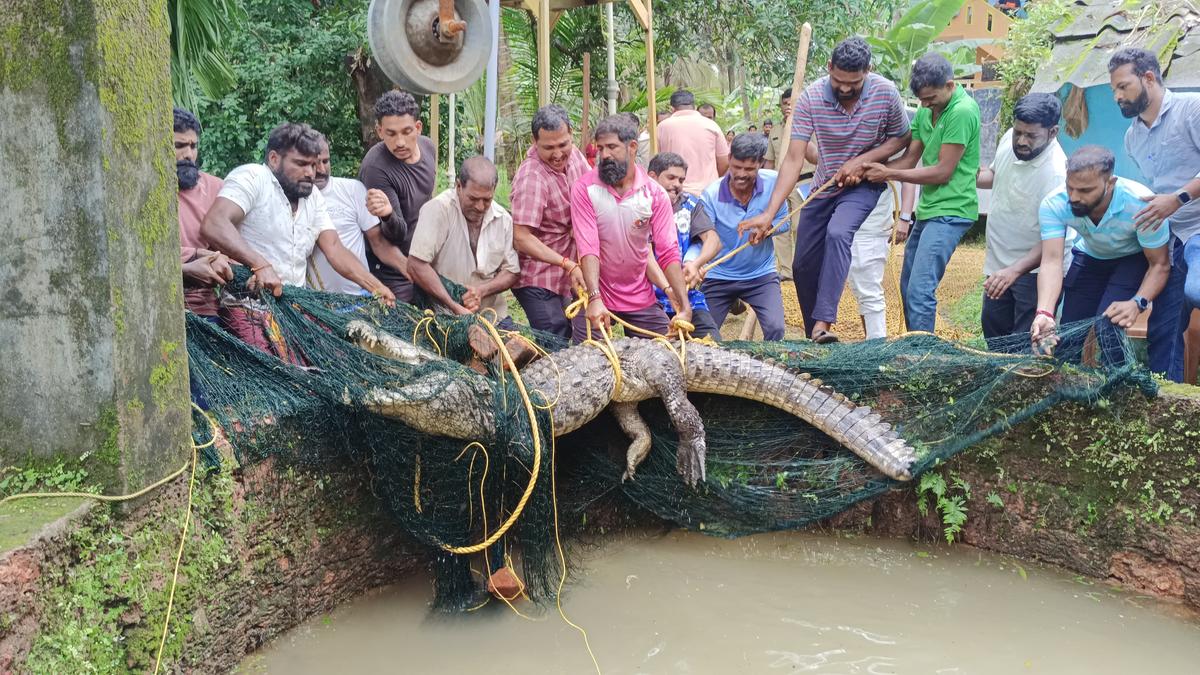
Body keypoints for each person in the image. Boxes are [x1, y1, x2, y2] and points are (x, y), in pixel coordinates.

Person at [743, 36, 910, 343]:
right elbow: (794, 158)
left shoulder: (886, 93)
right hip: (824, 186)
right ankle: (815, 339)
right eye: (839, 81)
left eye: (854, 83)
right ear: (829, 67)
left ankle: (823, 323)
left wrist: (863, 161)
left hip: (864, 187)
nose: (845, 89)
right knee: (802, 264)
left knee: (838, 233)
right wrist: (769, 213)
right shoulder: (811, 97)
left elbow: (901, 138)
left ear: (868, 71)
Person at [201, 122, 394, 303]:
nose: (312, 172)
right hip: (246, 305)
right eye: (301, 164)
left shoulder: (313, 196)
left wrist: (376, 287)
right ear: (274, 159)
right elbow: (215, 224)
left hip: (293, 307)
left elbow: (335, 248)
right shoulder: (253, 177)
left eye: (313, 164)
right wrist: (260, 264)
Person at [864, 52, 980, 334]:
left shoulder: (962, 111)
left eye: (931, 98)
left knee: (920, 290)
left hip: (952, 211)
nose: (926, 105)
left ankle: (923, 359)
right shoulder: (927, 111)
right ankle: (914, 345)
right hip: (929, 210)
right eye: (922, 100)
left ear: (950, 85)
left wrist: (888, 173)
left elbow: (942, 171)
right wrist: (870, 167)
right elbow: (909, 160)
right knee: (906, 286)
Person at [1030, 146, 1171, 365]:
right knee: (1067, 335)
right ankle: (1066, 391)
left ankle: (1118, 389)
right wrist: (1045, 313)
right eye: (1070, 188)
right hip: (1090, 256)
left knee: (1109, 328)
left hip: (1131, 259)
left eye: (1085, 190)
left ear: (1110, 183)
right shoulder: (1055, 203)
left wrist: (1137, 302)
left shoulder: (1141, 205)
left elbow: (1159, 265)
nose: (1074, 197)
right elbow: (1051, 261)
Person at [1110, 47, 1200, 379]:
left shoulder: (1192, 109)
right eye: (1114, 90)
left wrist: (1176, 198)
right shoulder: (1132, 137)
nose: (1118, 96)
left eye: (1123, 86)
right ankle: (1168, 397)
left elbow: (1173, 194)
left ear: (1149, 78)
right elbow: (1158, 188)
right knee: (1164, 328)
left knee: (1196, 291)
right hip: (1170, 238)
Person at [569, 115, 691, 341]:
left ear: (632, 147)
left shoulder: (654, 194)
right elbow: (588, 248)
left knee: (668, 351)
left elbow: (667, 252)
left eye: (612, 147)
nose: (604, 155)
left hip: (638, 295)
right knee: (588, 358)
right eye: (600, 147)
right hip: (597, 293)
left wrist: (683, 303)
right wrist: (595, 299)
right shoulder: (584, 189)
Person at [975, 93, 1068, 349]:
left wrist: (1014, 271)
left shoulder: (1057, 174)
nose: (1022, 141)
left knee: (1025, 345)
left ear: (1052, 132)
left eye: (1031, 136)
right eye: (1019, 132)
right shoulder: (1009, 138)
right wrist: (963, 175)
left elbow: (1053, 243)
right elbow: (994, 175)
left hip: (1034, 272)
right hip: (998, 264)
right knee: (995, 337)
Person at [408, 156, 520, 327]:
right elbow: (416, 265)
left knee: (519, 350)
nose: (480, 207)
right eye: (473, 199)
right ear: (458, 186)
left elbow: (512, 271)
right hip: (443, 315)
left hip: (492, 315)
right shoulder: (438, 210)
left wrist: (481, 291)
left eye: (487, 200)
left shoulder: (503, 219)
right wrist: (454, 306)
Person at [510, 105, 590, 339]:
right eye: (548, 148)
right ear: (535, 142)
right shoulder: (532, 178)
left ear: (571, 135)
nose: (557, 154)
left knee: (578, 337)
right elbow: (521, 238)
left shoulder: (574, 155)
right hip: (538, 279)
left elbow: (590, 191)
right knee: (554, 341)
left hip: (568, 275)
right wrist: (566, 263)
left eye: (562, 145)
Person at [699, 133, 790, 341]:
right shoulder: (711, 195)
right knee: (704, 338)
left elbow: (785, 222)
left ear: (760, 164)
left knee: (776, 329)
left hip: (760, 274)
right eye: (736, 167)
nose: (741, 174)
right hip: (719, 275)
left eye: (749, 169)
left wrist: (768, 230)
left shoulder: (775, 183)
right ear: (729, 159)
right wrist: (697, 264)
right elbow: (705, 236)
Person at [358, 90, 437, 303]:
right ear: (380, 131)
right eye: (391, 134)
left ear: (418, 128)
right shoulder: (376, 167)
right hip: (391, 268)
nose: (400, 142)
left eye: (407, 131)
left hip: (423, 257)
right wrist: (388, 215)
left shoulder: (428, 148)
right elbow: (395, 234)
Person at [308, 136, 407, 296]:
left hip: (359, 297)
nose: (321, 170)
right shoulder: (297, 200)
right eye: (314, 164)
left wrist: (411, 270)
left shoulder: (352, 190)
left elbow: (380, 244)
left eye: (325, 161)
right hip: (315, 302)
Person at [646, 152, 723, 340]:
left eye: (681, 179)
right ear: (652, 177)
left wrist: (696, 264)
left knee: (713, 345)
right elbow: (645, 256)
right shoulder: (639, 204)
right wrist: (668, 288)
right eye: (671, 177)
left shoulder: (690, 204)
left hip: (689, 297)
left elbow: (713, 240)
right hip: (648, 300)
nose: (677, 184)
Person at [174, 107, 233, 319]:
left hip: (206, 311)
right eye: (179, 146)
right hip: (159, 307)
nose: (188, 154)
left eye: (193, 146)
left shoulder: (216, 188)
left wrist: (218, 263)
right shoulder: (142, 190)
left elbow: (231, 246)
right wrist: (191, 259)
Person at [656, 89, 730, 196]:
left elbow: (656, 161)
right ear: (694, 107)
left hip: (675, 192)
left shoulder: (662, 127)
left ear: (672, 108)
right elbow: (724, 161)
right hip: (708, 192)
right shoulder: (711, 125)